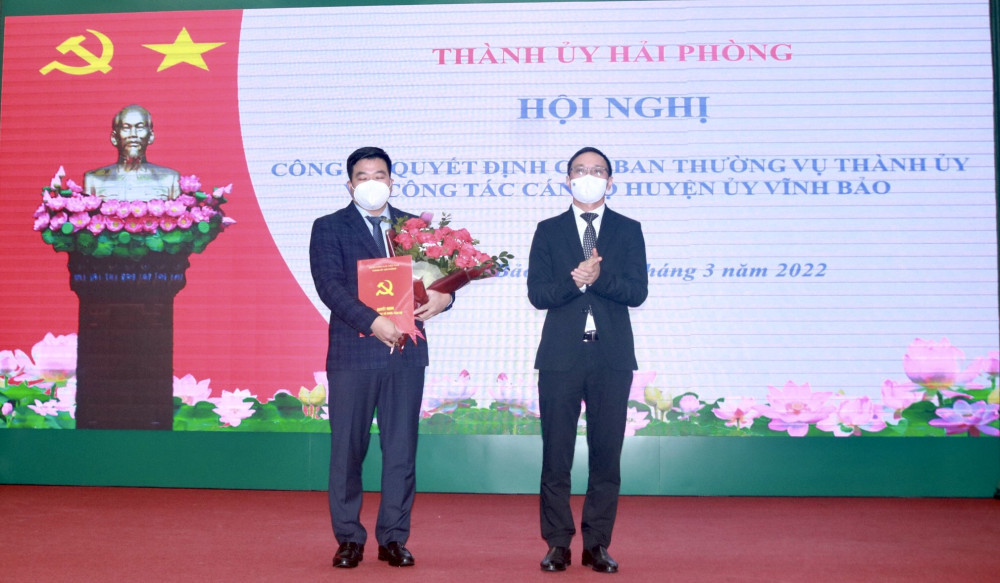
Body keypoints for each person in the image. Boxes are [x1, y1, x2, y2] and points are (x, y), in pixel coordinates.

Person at [309, 146, 452, 569]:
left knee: (401, 451)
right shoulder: (329, 227)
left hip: (406, 355)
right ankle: (349, 538)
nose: (372, 183)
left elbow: (437, 280)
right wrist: (373, 322)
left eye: (379, 175)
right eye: (363, 176)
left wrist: (445, 298)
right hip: (353, 353)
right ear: (349, 184)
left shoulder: (415, 228)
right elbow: (329, 286)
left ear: (391, 181)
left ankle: (393, 537)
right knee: (347, 451)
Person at [527, 146, 648, 574]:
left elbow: (637, 292)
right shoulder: (548, 230)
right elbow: (538, 294)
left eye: (598, 171)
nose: (589, 176)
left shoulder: (628, 230)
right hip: (561, 356)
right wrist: (575, 283)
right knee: (556, 454)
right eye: (580, 170)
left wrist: (600, 278)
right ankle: (557, 543)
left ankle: (597, 544)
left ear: (610, 181)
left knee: (606, 454)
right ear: (567, 180)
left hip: (611, 356)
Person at [83, 104, 181, 201]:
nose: (133, 134)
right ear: (114, 138)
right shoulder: (94, 180)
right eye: (126, 128)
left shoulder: (169, 179)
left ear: (151, 136)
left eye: (140, 127)